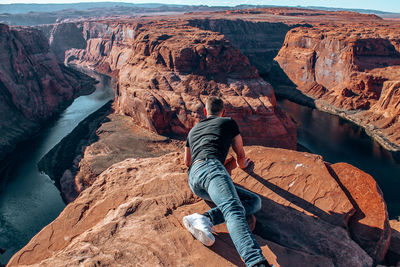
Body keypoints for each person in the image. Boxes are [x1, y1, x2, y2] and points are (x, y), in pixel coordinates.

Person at [183, 96, 272, 267]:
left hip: (194, 180)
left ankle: (205, 218)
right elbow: (240, 154)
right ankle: (256, 262)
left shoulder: (193, 131)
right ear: (223, 112)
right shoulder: (228, 122)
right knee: (233, 209)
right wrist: (242, 164)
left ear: (205, 112)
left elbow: (187, 161)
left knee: (254, 202)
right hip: (211, 169)